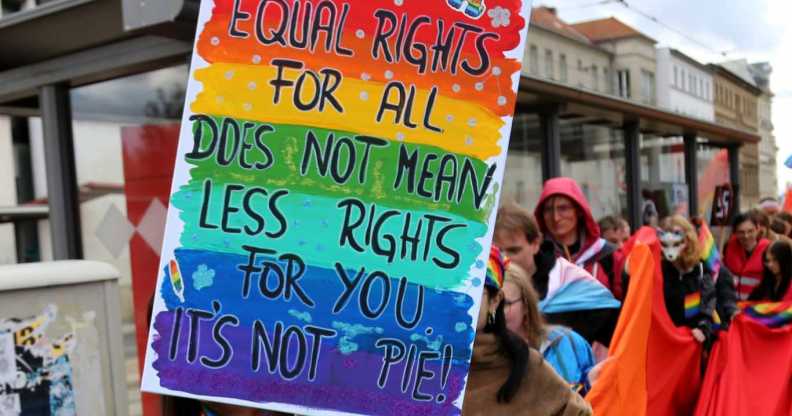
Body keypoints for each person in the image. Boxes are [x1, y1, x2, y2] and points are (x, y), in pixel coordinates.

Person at [462, 247, 592, 416]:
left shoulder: (527, 366)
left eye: (473, 291)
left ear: (495, 301)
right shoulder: (419, 362)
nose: (458, 300)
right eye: (446, 292)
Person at [495, 204, 620, 347]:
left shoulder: (570, 282)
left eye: (514, 251)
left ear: (536, 244)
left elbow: (621, 338)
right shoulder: (481, 288)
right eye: (496, 252)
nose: (504, 259)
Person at [502, 263, 595, 395]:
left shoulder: (567, 341)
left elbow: (594, 395)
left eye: (505, 303)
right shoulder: (473, 358)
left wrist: (589, 384)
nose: (494, 311)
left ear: (526, 305)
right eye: (489, 302)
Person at [534, 177, 624, 300]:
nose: (555, 217)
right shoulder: (537, 255)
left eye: (563, 208)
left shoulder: (607, 255)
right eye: (548, 209)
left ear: (579, 211)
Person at [658, 216, 716, 346]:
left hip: (693, 341)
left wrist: (703, 328)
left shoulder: (700, 269)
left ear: (688, 241)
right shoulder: (658, 269)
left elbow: (708, 303)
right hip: (665, 340)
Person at [723, 212, 771, 300]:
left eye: (750, 231)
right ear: (735, 233)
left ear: (758, 229)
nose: (746, 236)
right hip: (733, 306)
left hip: (758, 306)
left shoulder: (769, 250)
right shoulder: (728, 247)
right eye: (741, 232)